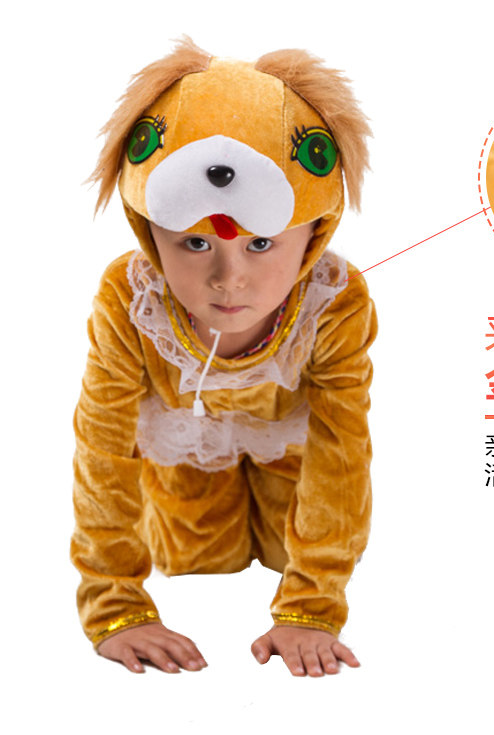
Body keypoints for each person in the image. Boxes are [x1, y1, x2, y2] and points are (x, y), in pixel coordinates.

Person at [71, 37, 375, 677]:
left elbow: (340, 451)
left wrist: (311, 608)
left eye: (261, 243)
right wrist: (115, 606)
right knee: (199, 559)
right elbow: (103, 449)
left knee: (287, 546)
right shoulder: (129, 296)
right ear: (148, 230)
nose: (228, 281)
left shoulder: (336, 300)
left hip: (290, 452)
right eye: (194, 243)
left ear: (313, 234)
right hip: (185, 456)